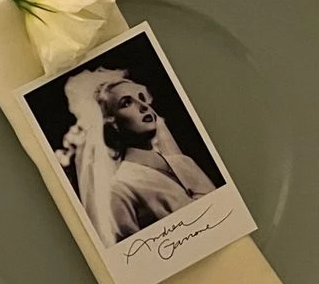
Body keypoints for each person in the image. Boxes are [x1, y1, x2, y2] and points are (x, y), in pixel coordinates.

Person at [60, 67, 217, 247]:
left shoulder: (184, 162)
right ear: (112, 123)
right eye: (127, 103)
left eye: (142, 98)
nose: (143, 106)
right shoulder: (120, 188)